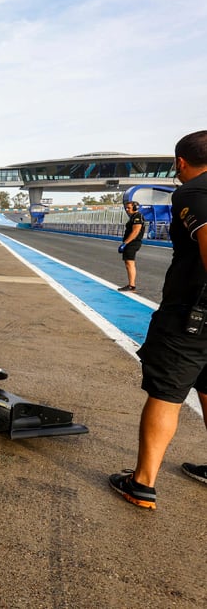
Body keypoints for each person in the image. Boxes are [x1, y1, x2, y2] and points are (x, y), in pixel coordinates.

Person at [109, 130, 207, 510]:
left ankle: (142, 485)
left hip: (191, 314)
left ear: (180, 162)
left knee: (166, 394)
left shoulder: (192, 192)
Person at [116, 200, 145, 291]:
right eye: (126, 208)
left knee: (130, 263)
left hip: (133, 242)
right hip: (130, 242)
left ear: (135, 208)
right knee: (128, 263)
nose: (127, 210)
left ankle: (131, 285)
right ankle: (131, 285)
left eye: (129, 208)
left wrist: (125, 243)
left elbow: (135, 231)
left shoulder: (137, 216)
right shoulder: (133, 217)